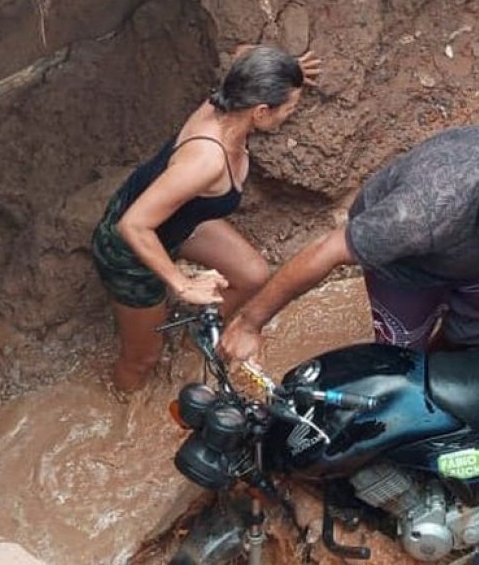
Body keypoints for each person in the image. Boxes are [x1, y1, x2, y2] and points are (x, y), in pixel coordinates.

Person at [218, 125, 479, 362]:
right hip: (405, 268)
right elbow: (326, 252)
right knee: (400, 361)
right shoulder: (420, 215)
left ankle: (443, 362)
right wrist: (251, 323)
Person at [92, 45, 320, 392]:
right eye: (289, 107)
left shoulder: (232, 96)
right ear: (260, 111)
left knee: (252, 274)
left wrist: (287, 71)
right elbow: (133, 225)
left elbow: (245, 51)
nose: (292, 112)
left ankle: (193, 341)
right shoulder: (206, 161)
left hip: (179, 222)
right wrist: (181, 284)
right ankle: (120, 397)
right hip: (129, 249)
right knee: (142, 360)